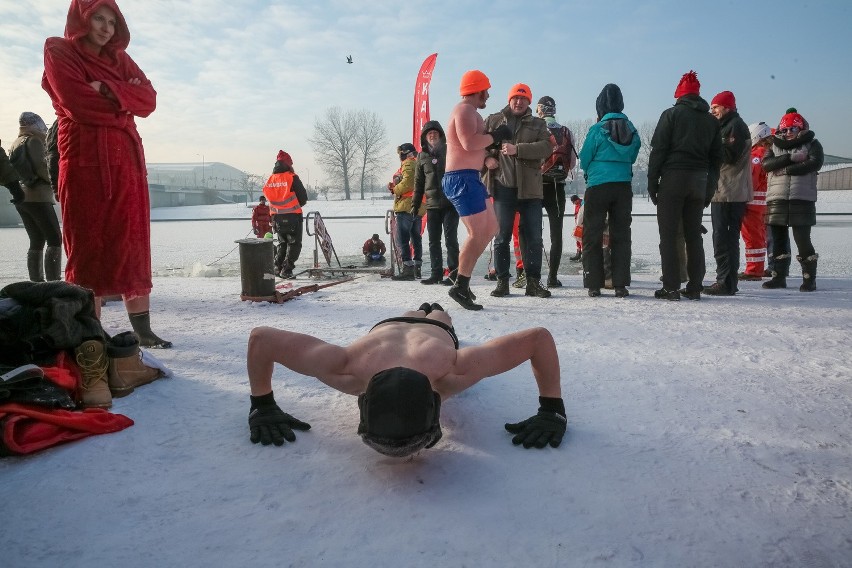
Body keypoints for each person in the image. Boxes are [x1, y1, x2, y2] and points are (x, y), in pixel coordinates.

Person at [245, 303, 566, 456]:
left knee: (439, 315)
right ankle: (429, 311)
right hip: (399, 328)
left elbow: (537, 338)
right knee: (429, 317)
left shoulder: (454, 370)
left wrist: (553, 410)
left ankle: (434, 311)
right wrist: (261, 406)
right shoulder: (344, 368)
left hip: (423, 332)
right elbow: (261, 339)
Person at [42, 0, 170, 347]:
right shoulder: (58, 50)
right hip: (85, 161)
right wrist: (124, 105)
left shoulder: (119, 59)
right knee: (88, 246)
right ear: (81, 18)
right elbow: (76, 101)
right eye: (98, 18)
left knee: (132, 243)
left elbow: (150, 100)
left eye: (112, 22)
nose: (105, 28)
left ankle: (141, 328)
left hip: (126, 161)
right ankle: (90, 331)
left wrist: (109, 89)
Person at [648, 70, 722, 301]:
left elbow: (658, 150)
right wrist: (709, 188)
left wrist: (652, 182)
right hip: (699, 181)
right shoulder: (711, 121)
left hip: (673, 179)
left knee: (669, 235)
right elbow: (716, 159)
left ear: (679, 95)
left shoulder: (671, 115)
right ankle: (695, 286)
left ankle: (670, 286)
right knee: (693, 235)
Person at [442, 70, 512, 310]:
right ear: (477, 89)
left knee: (492, 227)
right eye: (486, 90)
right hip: (460, 178)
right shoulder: (463, 110)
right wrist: (495, 136)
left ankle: (460, 277)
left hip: (470, 177)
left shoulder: (471, 113)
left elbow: (475, 147)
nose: (489, 95)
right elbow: (468, 143)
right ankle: (460, 284)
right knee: (476, 232)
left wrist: (492, 149)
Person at [483, 83, 554, 299]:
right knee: (502, 237)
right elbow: (478, 146)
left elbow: (547, 147)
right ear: (509, 99)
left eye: (523, 99)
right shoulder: (494, 120)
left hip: (531, 189)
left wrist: (518, 150)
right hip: (503, 187)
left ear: (529, 102)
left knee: (534, 238)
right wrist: (487, 159)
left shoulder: (538, 123)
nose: (519, 102)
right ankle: (502, 282)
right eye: (515, 97)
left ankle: (533, 282)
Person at [578, 84, 640, 298]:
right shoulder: (631, 129)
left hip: (598, 186)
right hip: (622, 187)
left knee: (592, 234)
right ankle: (620, 284)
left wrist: (594, 169)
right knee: (621, 234)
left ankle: (594, 284)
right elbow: (632, 156)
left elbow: (584, 159)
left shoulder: (597, 129)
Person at [761, 111, 824, 291]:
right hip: (777, 198)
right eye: (785, 128)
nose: (789, 132)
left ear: (801, 128)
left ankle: (809, 279)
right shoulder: (773, 146)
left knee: (802, 239)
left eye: (793, 128)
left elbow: (815, 163)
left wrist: (786, 170)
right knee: (778, 239)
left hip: (801, 198)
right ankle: (778, 277)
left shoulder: (812, 144)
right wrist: (790, 158)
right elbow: (766, 165)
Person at [705, 91, 752, 296]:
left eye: (715, 107)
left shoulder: (735, 127)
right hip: (725, 190)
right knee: (723, 237)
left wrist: (709, 145)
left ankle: (726, 282)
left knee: (724, 238)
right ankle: (727, 280)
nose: (712, 110)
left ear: (727, 107)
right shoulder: (726, 126)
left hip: (730, 191)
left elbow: (730, 156)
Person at [7, 112, 63, 282]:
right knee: (55, 239)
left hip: (24, 198)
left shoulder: (17, 142)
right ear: (37, 124)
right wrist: (56, 181)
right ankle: (53, 283)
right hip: (39, 197)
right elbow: (41, 167)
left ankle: (36, 282)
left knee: (37, 240)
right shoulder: (35, 140)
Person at [536, 96, 577, 287]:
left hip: (536, 187)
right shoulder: (566, 131)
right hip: (558, 187)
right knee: (556, 234)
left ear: (540, 110)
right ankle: (552, 277)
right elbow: (573, 162)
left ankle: (533, 277)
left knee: (531, 232)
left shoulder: (535, 128)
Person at [412, 121, 459, 285]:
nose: (432, 136)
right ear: (425, 137)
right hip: (432, 205)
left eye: (435, 133)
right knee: (433, 241)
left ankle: (454, 273)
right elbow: (418, 183)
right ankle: (436, 273)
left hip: (450, 203)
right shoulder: (421, 156)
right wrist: (415, 204)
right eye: (429, 133)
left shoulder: (450, 150)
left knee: (451, 239)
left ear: (440, 135)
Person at [262, 150, 308, 279]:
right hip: (293, 216)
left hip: (276, 217)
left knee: (282, 243)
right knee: (294, 243)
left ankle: (277, 267)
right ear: (288, 163)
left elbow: (268, 196)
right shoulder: (291, 177)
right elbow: (303, 198)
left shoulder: (270, 179)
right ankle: (287, 269)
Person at [739, 122, 773, 280]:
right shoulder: (768, 152)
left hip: (753, 203)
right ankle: (757, 268)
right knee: (760, 235)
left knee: (752, 237)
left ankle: (754, 270)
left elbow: (750, 180)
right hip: (764, 202)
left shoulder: (756, 155)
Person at [388, 143, 425, 280]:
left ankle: (408, 270)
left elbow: (409, 183)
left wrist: (395, 189)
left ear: (405, 153)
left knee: (403, 238)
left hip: (406, 206)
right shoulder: (420, 163)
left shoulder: (409, 163)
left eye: (400, 153)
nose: (399, 157)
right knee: (416, 238)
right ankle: (417, 268)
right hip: (419, 206)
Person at [568, 194, 582, 261]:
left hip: (582, 225)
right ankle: (578, 254)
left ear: (577, 200)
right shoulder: (577, 205)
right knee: (577, 239)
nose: (573, 204)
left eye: (573, 202)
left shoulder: (582, 204)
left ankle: (584, 255)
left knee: (582, 240)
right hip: (577, 224)